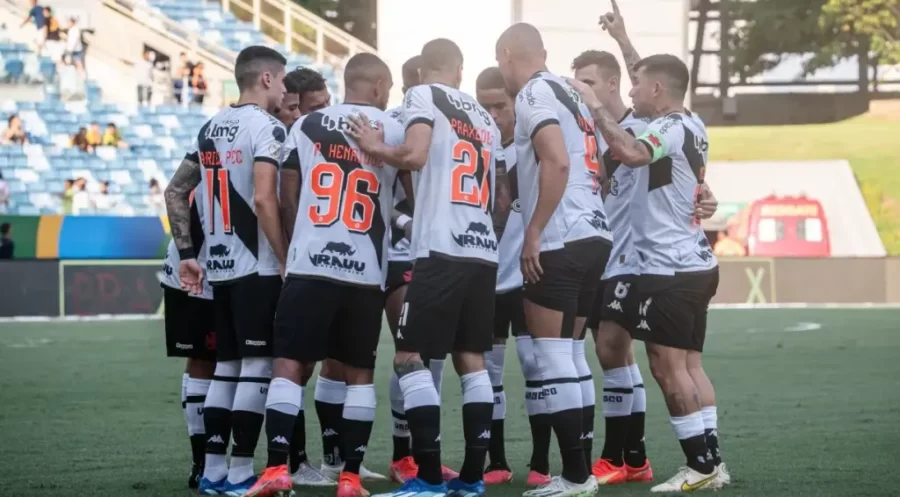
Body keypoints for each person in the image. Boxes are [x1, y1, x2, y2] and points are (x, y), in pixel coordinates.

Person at [348, 38, 511, 497]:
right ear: (461, 69)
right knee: (472, 361)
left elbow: (415, 155)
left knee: (408, 356)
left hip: (440, 249)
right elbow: (500, 197)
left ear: (423, 71)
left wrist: (375, 147)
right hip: (482, 252)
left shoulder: (423, 95)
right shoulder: (485, 117)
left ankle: (429, 478)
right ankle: (474, 479)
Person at [246, 51, 405, 497]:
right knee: (358, 372)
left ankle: (277, 468)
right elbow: (412, 185)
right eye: (387, 88)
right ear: (377, 86)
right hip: (366, 270)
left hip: (311, 264)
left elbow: (286, 195)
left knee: (288, 364)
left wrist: (292, 249)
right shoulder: (392, 129)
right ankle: (350, 476)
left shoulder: (306, 125)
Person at [569, 50, 728, 492]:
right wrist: (622, 38)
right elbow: (657, 82)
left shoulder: (668, 127)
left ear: (655, 89)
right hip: (697, 261)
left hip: (668, 267)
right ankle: (712, 462)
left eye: (638, 84)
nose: (633, 89)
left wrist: (596, 105)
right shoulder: (691, 123)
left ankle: (700, 466)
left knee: (665, 366)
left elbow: (633, 151)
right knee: (690, 366)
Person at [164, 45, 289, 497]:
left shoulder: (209, 126)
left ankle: (214, 471)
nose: (285, 90)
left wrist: (188, 251)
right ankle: (240, 473)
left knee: (227, 367)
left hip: (218, 266)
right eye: (283, 80)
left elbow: (175, 192)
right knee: (257, 366)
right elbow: (262, 199)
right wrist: (285, 256)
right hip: (258, 265)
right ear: (267, 80)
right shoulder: (268, 127)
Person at [496, 23, 613, 497]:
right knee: (571, 354)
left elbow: (557, 161)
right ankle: (580, 469)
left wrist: (535, 230)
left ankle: (576, 475)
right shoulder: (571, 91)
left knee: (553, 357)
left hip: (561, 237)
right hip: (595, 232)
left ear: (506, 55)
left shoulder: (531, 94)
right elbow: (597, 167)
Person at [382, 54, 456, 486]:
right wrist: (408, 222)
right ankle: (403, 455)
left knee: (426, 355)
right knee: (413, 354)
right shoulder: (398, 125)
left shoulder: (439, 120)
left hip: (426, 252)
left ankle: (411, 454)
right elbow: (380, 192)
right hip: (400, 252)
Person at [474, 65, 548, 487]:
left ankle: (540, 462)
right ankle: (495, 460)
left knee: (535, 364)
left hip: (527, 273)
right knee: (488, 370)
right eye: (484, 106)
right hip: (485, 277)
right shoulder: (471, 149)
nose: (493, 114)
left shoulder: (535, 145)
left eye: (500, 105)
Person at [159, 186, 215, 489]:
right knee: (206, 360)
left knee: (211, 361)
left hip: (210, 264)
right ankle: (205, 461)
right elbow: (177, 192)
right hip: (198, 267)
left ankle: (209, 461)